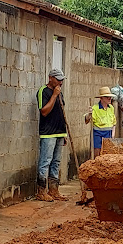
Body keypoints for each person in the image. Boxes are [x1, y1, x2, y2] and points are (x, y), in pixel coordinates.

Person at [36, 69, 69, 202]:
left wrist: (64, 133)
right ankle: (41, 191)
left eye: (62, 80)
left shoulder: (60, 93)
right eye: (58, 79)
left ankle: (54, 190)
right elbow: (44, 111)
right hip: (48, 133)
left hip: (59, 132)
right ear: (50, 78)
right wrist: (54, 95)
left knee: (56, 162)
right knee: (45, 162)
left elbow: (61, 112)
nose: (60, 82)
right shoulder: (43, 91)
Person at [86, 87, 116, 157]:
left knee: (107, 153)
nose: (109, 98)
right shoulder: (95, 108)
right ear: (101, 98)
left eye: (110, 97)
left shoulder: (111, 108)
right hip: (98, 133)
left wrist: (113, 134)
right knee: (97, 153)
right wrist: (89, 114)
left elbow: (114, 123)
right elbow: (87, 120)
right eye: (107, 97)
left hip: (108, 133)